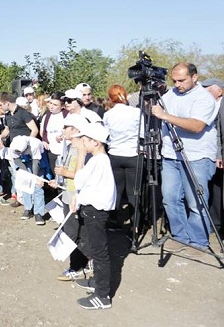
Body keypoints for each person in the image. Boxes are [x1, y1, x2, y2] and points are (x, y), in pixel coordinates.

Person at [151, 62, 218, 253]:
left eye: (182, 80)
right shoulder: (171, 94)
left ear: (194, 77)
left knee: (196, 201)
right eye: (174, 80)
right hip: (171, 155)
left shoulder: (203, 98)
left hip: (196, 155)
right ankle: (180, 237)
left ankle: (198, 242)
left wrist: (165, 116)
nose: (177, 84)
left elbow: (197, 126)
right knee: (170, 198)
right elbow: (156, 109)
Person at [70, 123, 116, 310]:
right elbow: (86, 186)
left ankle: (102, 295)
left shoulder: (98, 161)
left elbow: (79, 179)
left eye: (85, 140)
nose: (82, 143)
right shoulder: (99, 160)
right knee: (94, 248)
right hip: (92, 209)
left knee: (99, 253)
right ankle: (97, 281)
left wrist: (80, 155)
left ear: (96, 143)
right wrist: (78, 197)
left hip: (96, 212)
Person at [48, 114, 92, 282]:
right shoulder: (69, 148)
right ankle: (81, 263)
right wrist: (58, 181)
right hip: (68, 195)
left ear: (75, 130)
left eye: (66, 127)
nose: (63, 130)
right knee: (71, 231)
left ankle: (78, 266)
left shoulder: (83, 151)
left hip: (78, 198)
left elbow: (85, 175)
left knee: (75, 233)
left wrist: (66, 173)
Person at [103, 84, 141, 231]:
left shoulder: (108, 115)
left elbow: (106, 136)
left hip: (115, 154)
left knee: (116, 190)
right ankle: (135, 224)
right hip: (133, 154)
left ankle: (113, 221)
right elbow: (142, 133)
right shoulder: (136, 112)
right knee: (133, 191)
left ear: (110, 98)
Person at [202, 78, 224, 235]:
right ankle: (216, 224)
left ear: (219, 91)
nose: (206, 93)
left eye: (209, 90)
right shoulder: (208, 105)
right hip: (214, 155)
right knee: (216, 189)